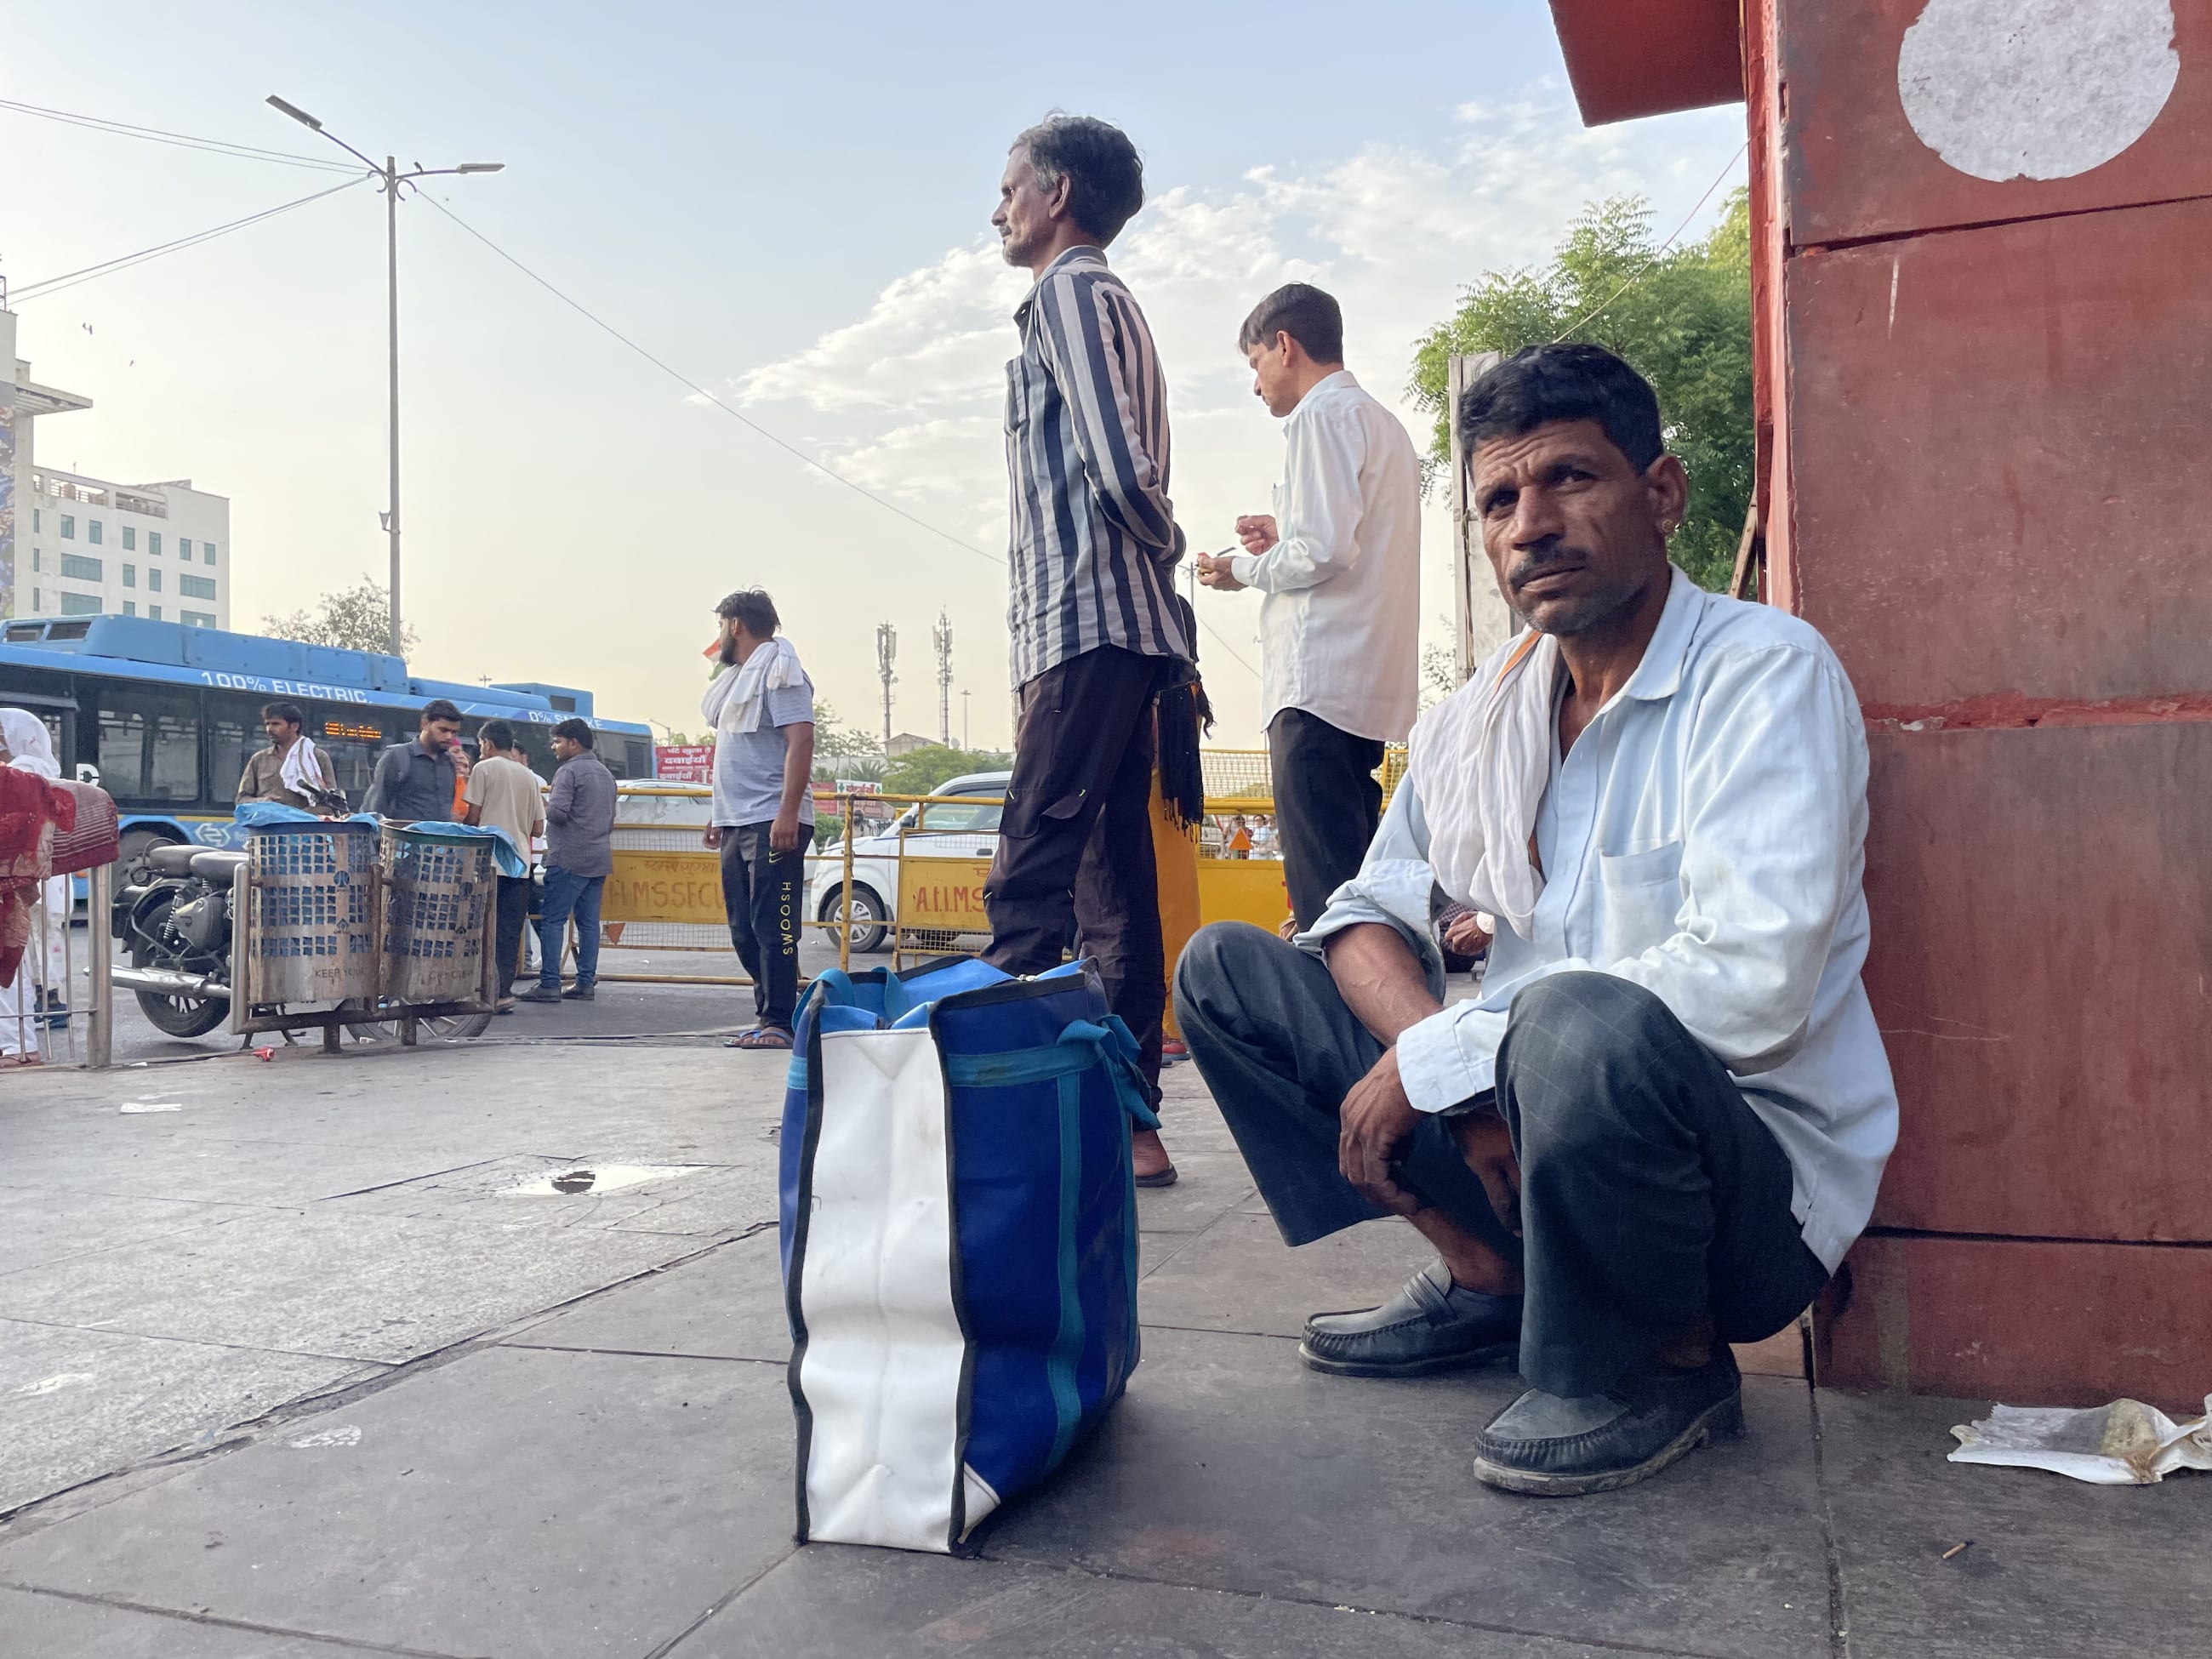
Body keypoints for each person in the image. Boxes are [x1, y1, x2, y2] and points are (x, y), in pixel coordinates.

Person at [1174, 344, 1897, 1497]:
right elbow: (1365, 907)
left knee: (1576, 1011)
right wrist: (1443, 1060)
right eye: (1500, 499)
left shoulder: (1764, 676)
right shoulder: (1485, 717)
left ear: (1660, 495)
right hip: (1515, 1128)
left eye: (1570, 479)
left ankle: (1665, 1359)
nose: (1530, 524)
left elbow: (1753, 982)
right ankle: (1488, 1279)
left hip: (1736, 1192)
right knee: (1225, 970)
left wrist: (1451, 1052)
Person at [984, 112, 1189, 1186]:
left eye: (1010, 185)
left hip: (1086, 621)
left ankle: (984, 1106)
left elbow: (1118, 470)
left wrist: (1163, 540)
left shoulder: (1069, 293)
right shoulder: (1104, 303)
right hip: (1112, 631)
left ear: (1056, 192)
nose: (997, 205)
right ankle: (1130, 1124)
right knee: (1113, 887)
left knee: (1030, 873)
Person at [1194, 282, 1421, 934]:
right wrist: (1284, 532)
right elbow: (1346, 541)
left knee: (1329, 907)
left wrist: (1240, 569)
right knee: (1355, 887)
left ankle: (1341, 1025)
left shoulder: (1320, 418)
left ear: (1285, 346)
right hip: (1363, 686)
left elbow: (1321, 550)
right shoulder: (1382, 425)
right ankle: (1369, 1023)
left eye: (1255, 363)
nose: (1256, 384)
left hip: (1318, 685)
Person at [700, 589, 816, 1052]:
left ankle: (779, 1022)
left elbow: (801, 741)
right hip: (737, 821)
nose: (718, 638)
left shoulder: (781, 674)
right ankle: (772, 1012)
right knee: (743, 929)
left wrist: (788, 813)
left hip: (773, 818)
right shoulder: (740, 680)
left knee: (775, 926)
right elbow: (736, 754)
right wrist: (718, 815)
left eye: (719, 628)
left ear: (733, 625)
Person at [519, 718, 617, 1005]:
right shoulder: (605, 774)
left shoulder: (568, 771)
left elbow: (559, 813)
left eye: (558, 741)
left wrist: (541, 805)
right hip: (598, 858)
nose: (554, 747)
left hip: (569, 858)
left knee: (552, 920)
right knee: (588, 923)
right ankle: (585, 982)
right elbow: (610, 819)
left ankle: (549, 983)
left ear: (573, 743)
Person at [462, 719, 546, 1013]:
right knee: (510, 932)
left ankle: (483, 990)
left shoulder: (482, 769)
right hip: (520, 867)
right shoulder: (529, 777)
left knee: (483, 929)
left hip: (489, 864)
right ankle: (503, 993)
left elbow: (473, 817)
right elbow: (537, 828)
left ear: (487, 743)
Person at [1, 710, 70, 1066]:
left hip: (12, 882)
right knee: (15, 964)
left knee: (10, 965)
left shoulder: (22, 773)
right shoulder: (38, 770)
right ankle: (18, 1046)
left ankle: (19, 1048)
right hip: (22, 881)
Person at [363, 700, 466, 821]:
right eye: (443, 730)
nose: (449, 737)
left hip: (440, 839)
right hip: (403, 838)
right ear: (425, 724)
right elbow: (375, 808)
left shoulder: (450, 762)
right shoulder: (396, 757)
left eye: (454, 732)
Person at [236, 702, 339, 811]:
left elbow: (333, 802)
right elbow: (241, 800)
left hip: (304, 826)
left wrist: (302, 816)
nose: (269, 729)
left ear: (294, 726)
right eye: (267, 724)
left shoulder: (317, 757)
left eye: (276, 724)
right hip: (267, 825)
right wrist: (263, 801)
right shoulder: (259, 759)